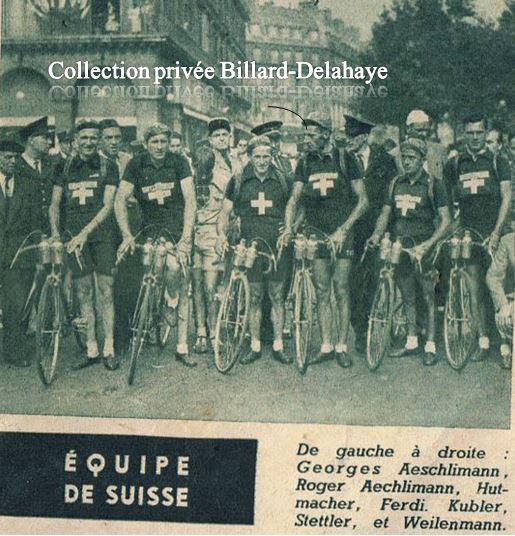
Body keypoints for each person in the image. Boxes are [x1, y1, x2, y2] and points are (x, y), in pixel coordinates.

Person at [282, 112, 368, 368]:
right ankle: (326, 345)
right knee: (322, 291)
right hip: (316, 234)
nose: (306, 139)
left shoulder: (346, 159)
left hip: (342, 235)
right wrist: (288, 227)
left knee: (341, 289)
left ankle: (342, 346)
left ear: (326, 134)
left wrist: (344, 229)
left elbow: (364, 201)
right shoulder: (305, 163)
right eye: (305, 134)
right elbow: (294, 199)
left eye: (311, 134)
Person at [114, 123, 197, 367]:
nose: (159, 147)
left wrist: (186, 238)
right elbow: (120, 199)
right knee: (147, 266)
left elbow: (190, 200)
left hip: (176, 226)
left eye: (163, 142)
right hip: (148, 226)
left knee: (174, 268)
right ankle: (148, 313)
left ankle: (172, 305)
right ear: (146, 144)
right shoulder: (136, 163)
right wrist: (127, 234)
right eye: (155, 142)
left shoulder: (179, 161)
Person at [370, 138, 451, 365]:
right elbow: (386, 214)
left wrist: (428, 244)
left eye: (412, 158)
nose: (406, 162)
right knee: (407, 296)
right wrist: (377, 234)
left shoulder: (434, 184)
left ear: (422, 160)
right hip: (400, 247)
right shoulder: (396, 182)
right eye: (404, 157)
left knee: (428, 297)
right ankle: (412, 341)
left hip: (424, 249)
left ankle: (431, 346)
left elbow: (446, 220)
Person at [217, 135, 292, 364]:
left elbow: (294, 205)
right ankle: (255, 345)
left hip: (276, 246)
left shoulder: (282, 179)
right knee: (255, 296)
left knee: (277, 296)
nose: (262, 161)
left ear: (272, 156)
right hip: (249, 246)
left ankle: (278, 345)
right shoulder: (239, 179)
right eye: (257, 156)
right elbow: (225, 212)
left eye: (266, 156)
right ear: (250, 157)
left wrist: (289, 228)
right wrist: (221, 234)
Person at [50, 121, 119, 370]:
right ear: (76, 140)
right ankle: (91, 348)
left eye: (93, 138)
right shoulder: (63, 166)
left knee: (106, 291)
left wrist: (85, 234)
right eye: (84, 138)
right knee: (84, 293)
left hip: (101, 237)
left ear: (98, 140)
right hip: (73, 238)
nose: (89, 142)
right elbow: (55, 205)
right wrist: (57, 234)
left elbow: (108, 206)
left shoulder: (107, 166)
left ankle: (109, 348)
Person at [444, 113, 512, 360]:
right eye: (470, 133)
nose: (474, 137)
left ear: (485, 133)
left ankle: (506, 343)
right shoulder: (456, 163)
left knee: (499, 288)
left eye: (479, 133)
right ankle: (483, 341)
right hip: (469, 236)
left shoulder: (497, 160)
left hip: (495, 234)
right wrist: (455, 228)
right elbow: (450, 200)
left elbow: (506, 198)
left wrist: (496, 233)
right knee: (475, 289)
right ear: (464, 135)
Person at [346, 116, 398, 353]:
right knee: (352, 281)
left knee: (375, 278)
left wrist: (387, 228)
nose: (351, 142)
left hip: (376, 227)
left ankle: (371, 326)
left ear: (365, 137)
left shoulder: (384, 160)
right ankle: (359, 327)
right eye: (348, 137)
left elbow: (392, 194)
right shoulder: (343, 159)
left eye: (355, 137)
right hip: (350, 229)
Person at [191, 118, 238, 354]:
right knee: (197, 284)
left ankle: (214, 330)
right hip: (196, 228)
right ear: (210, 139)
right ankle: (201, 330)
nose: (221, 138)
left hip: (218, 230)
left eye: (224, 135)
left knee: (213, 285)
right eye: (217, 135)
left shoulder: (236, 163)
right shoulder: (202, 160)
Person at [0, 138, 26, 365]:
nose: (12, 161)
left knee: (14, 304)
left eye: (15, 157)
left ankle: (12, 352)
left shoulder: (25, 184)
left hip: (14, 255)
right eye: (7, 157)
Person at [405, 109, 447, 181]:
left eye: (426, 130)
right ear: (408, 129)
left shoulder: (439, 150)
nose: (424, 134)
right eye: (419, 130)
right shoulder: (397, 154)